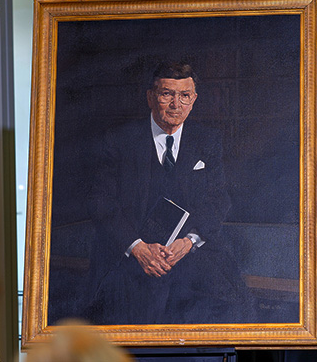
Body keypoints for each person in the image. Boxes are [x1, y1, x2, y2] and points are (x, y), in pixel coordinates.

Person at [86, 62, 253, 325]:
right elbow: (101, 202)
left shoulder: (207, 140)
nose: (176, 104)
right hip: (133, 262)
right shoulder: (119, 140)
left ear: (194, 99)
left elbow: (219, 200)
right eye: (167, 94)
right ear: (151, 97)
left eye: (184, 95)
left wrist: (188, 242)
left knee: (236, 309)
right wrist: (138, 249)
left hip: (192, 257)